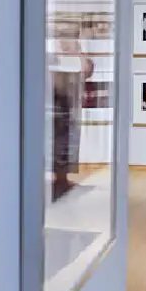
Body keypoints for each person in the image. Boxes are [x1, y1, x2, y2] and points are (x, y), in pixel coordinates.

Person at [50, 37, 95, 201]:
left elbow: (87, 70)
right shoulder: (50, 56)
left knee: (65, 142)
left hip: (67, 107)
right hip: (52, 105)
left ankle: (61, 178)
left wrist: (77, 53)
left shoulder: (76, 59)